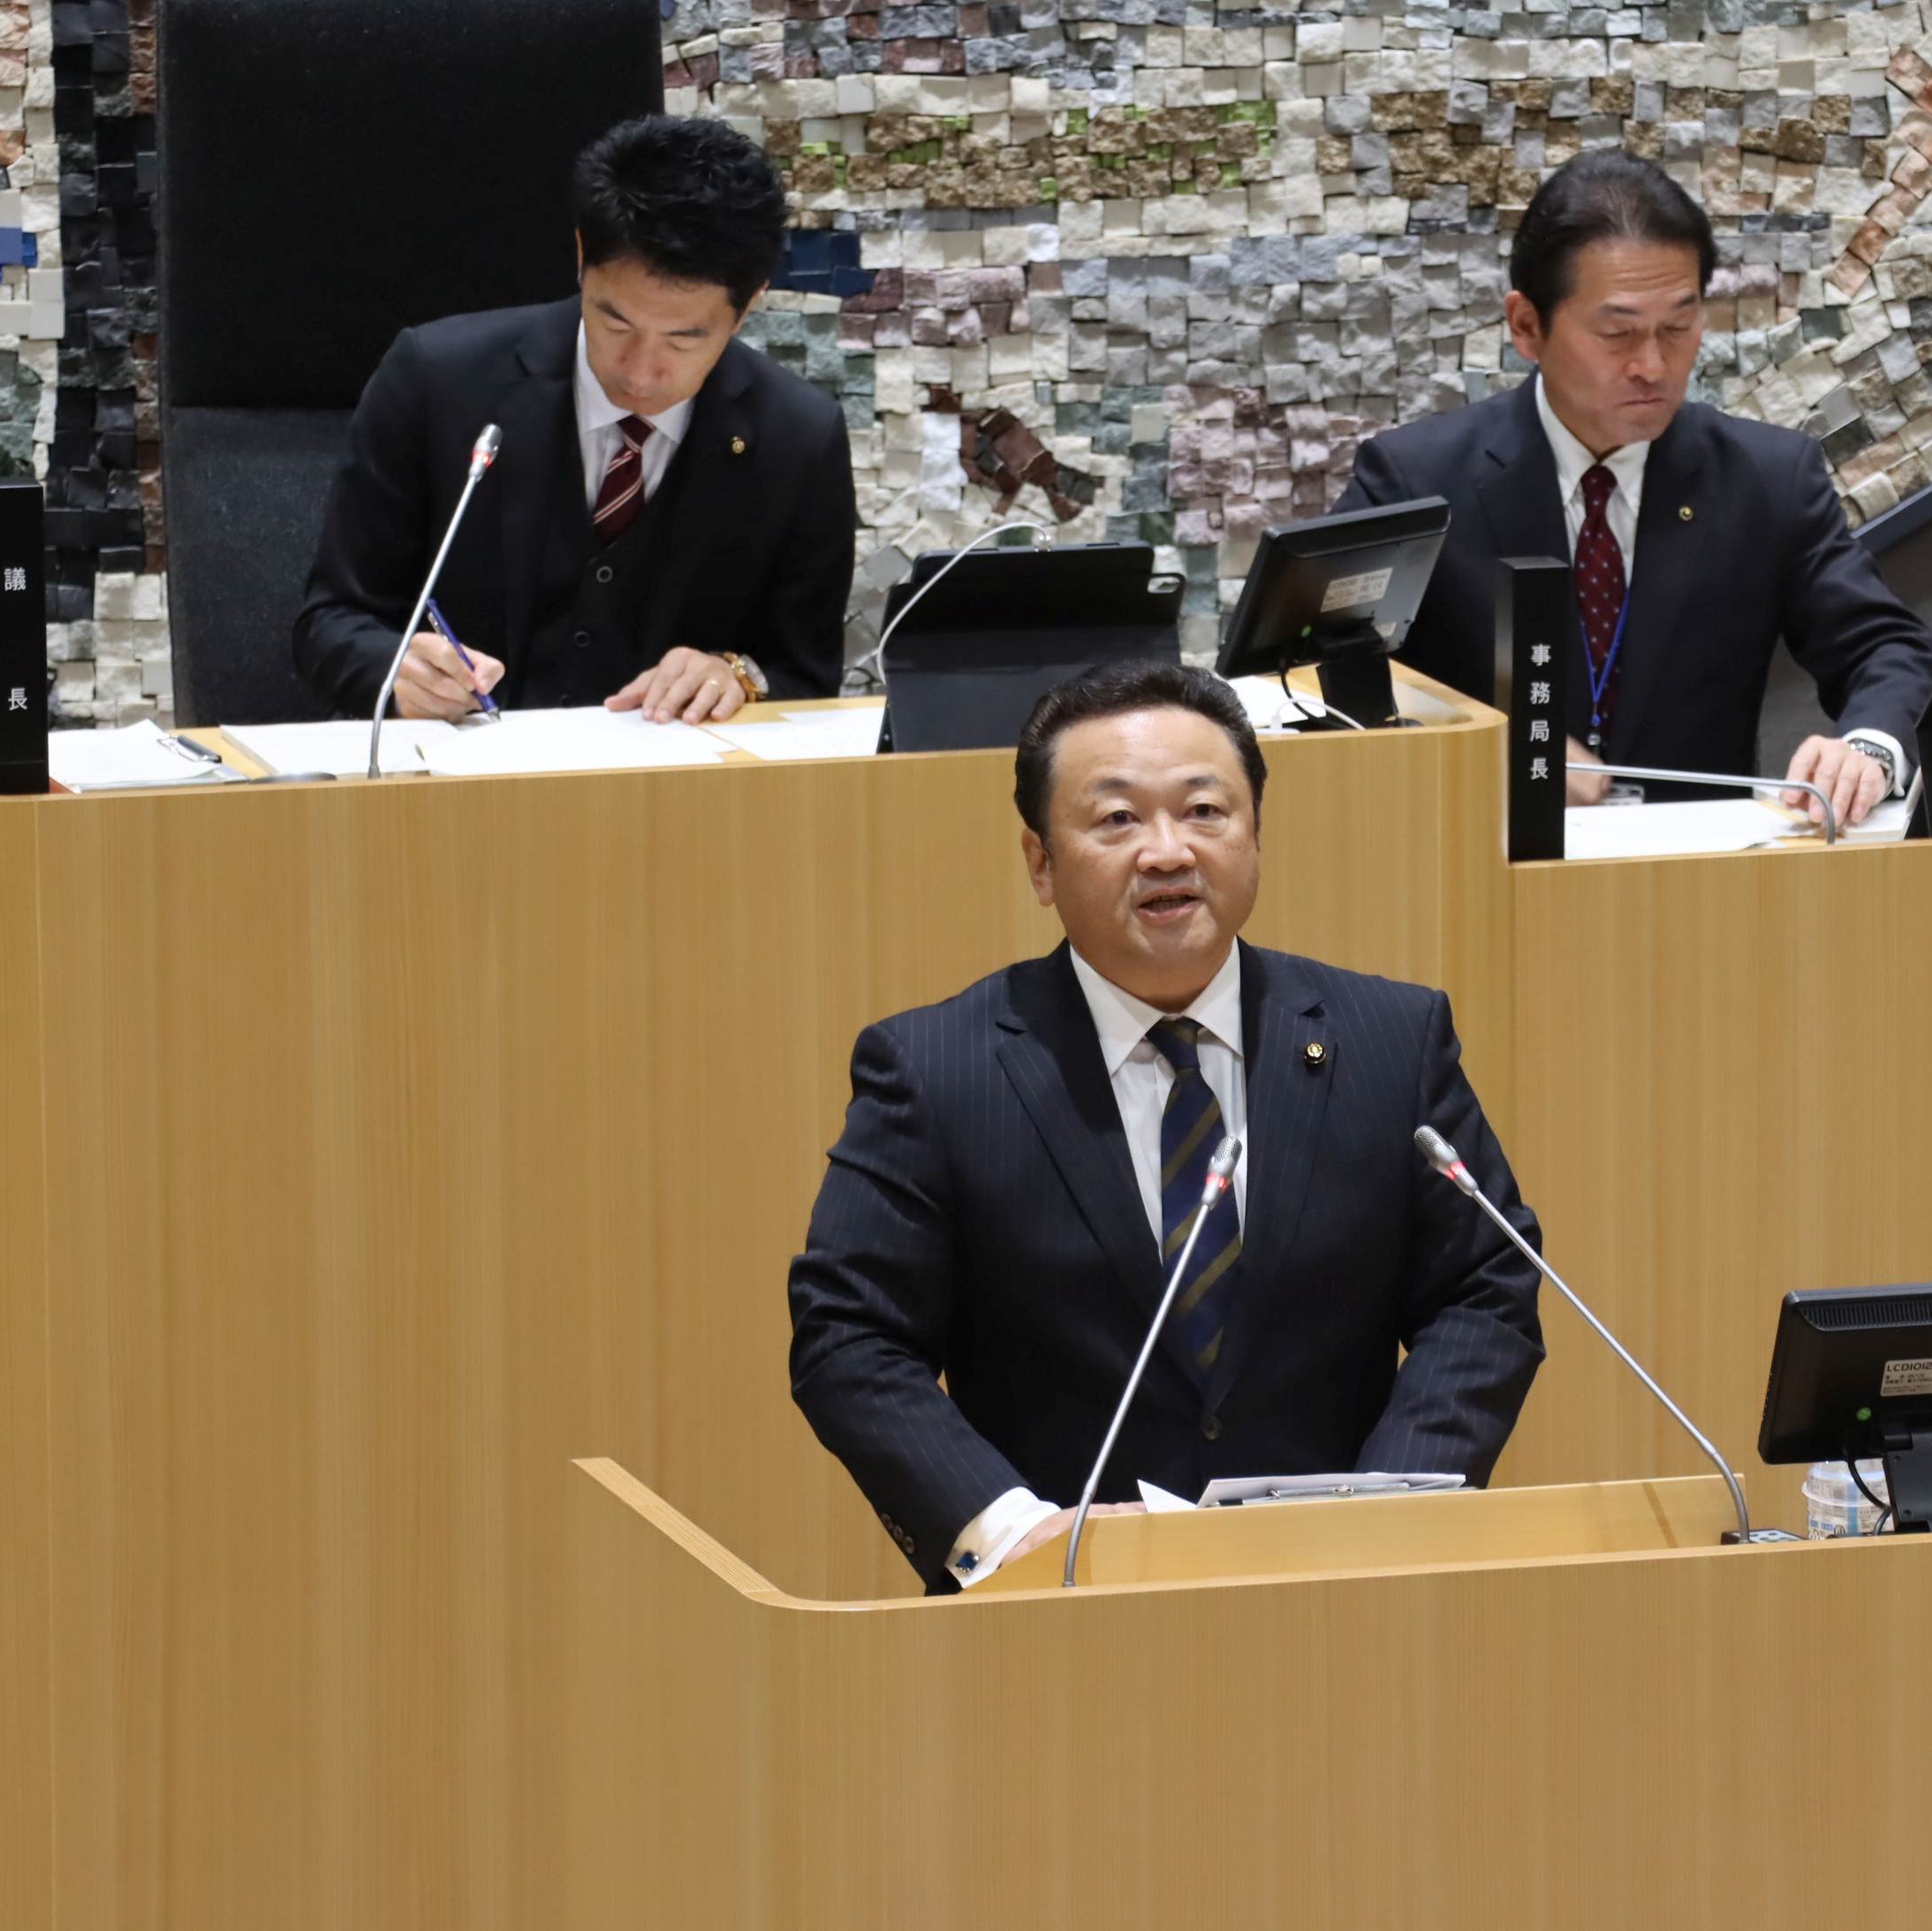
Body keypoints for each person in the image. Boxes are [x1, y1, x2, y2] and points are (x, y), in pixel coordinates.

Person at [788, 662, 1545, 1594]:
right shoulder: (937, 1070)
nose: (1167, 852)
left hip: (1346, 1589)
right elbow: (850, 1335)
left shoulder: (1389, 1039)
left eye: (1204, 811)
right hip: (1059, 1605)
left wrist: (1388, 1507)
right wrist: (1011, 1531)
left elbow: (1484, 1286)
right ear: (1040, 862)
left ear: (1256, 834)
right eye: (1116, 819)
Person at [1335, 150, 1932, 824]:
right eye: (1617, 333)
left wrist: (1868, 749)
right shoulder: (1416, 482)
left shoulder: (1768, 478)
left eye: (1678, 328)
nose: (1652, 365)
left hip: (1697, 869)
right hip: (1473, 859)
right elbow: (1310, 678)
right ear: (1527, 326)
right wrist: (1476, 749)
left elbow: (1886, 648)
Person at [296, 116, 857, 723]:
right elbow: (330, 623)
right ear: (583, 256)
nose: (640, 373)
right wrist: (393, 667)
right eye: (616, 322)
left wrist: (735, 677)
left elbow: (807, 678)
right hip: (455, 767)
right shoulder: (436, 381)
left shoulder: (799, 438)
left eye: (683, 339)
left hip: (669, 778)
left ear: (748, 307)